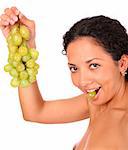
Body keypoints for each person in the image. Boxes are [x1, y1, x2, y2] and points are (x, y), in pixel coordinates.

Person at [0, 6, 128, 150]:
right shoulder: (97, 102)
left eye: (93, 65)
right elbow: (35, 112)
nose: (82, 81)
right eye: (74, 68)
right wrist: (24, 48)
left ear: (122, 64)